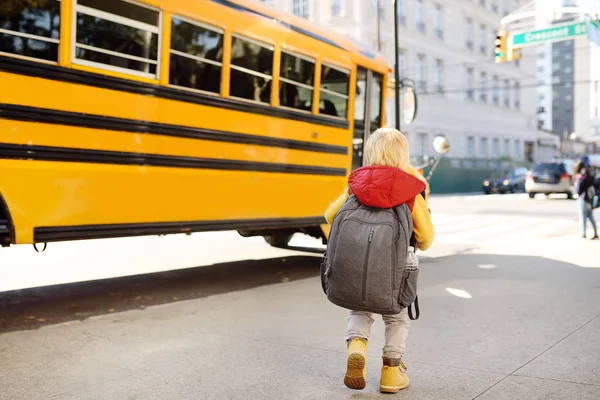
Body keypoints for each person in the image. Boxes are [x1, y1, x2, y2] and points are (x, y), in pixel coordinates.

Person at [324, 127, 435, 393]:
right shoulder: (411, 190)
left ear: (370, 153)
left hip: (354, 261)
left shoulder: (356, 184)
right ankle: (390, 374)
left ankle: (357, 347)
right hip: (396, 267)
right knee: (396, 318)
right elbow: (427, 238)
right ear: (403, 156)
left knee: (359, 309)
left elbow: (329, 215)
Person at [574, 161, 598, 240]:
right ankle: (595, 233)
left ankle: (583, 233)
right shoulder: (589, 174)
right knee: (590, 217)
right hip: (590, 199)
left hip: (583, 199)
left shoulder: (581, 177)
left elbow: (578, 190)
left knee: (583, 216)